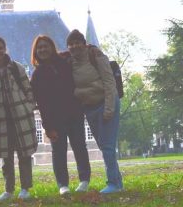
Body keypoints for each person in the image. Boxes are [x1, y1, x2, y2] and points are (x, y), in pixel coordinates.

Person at [30, 34, 91, 195]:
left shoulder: (66, 62)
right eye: (40, 47)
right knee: (58, 151)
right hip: (55, 119)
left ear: (52, 47)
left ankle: (84, 180)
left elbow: (84, 50)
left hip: (74, 113)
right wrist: (47, 126)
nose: (43, 49)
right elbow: (41, 105)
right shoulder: (36, 75)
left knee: (79, 146)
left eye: (45, 46)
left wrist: (94, 49)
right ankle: (63, 185)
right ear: (36, 51)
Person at [0, 36, 38, 201]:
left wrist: (28, 106)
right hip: (0, 120)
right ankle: (9, 189)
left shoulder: (16, 67)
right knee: (6, 157)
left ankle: (25, 188)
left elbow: (28, 88)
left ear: (5, 49)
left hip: (20, 116)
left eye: (0, 48)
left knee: (24, 154)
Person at [66, 29, 122, 193]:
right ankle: (118, 183)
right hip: (90, 108)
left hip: (105, 103)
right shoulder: (70, 61)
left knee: (107, 146)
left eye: (78, 42)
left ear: (84, 44)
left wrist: (109, 108)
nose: (75, 46)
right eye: (71, 44)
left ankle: (113, 183)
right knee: (104, 145)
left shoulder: (96, 56)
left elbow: (109, 82)